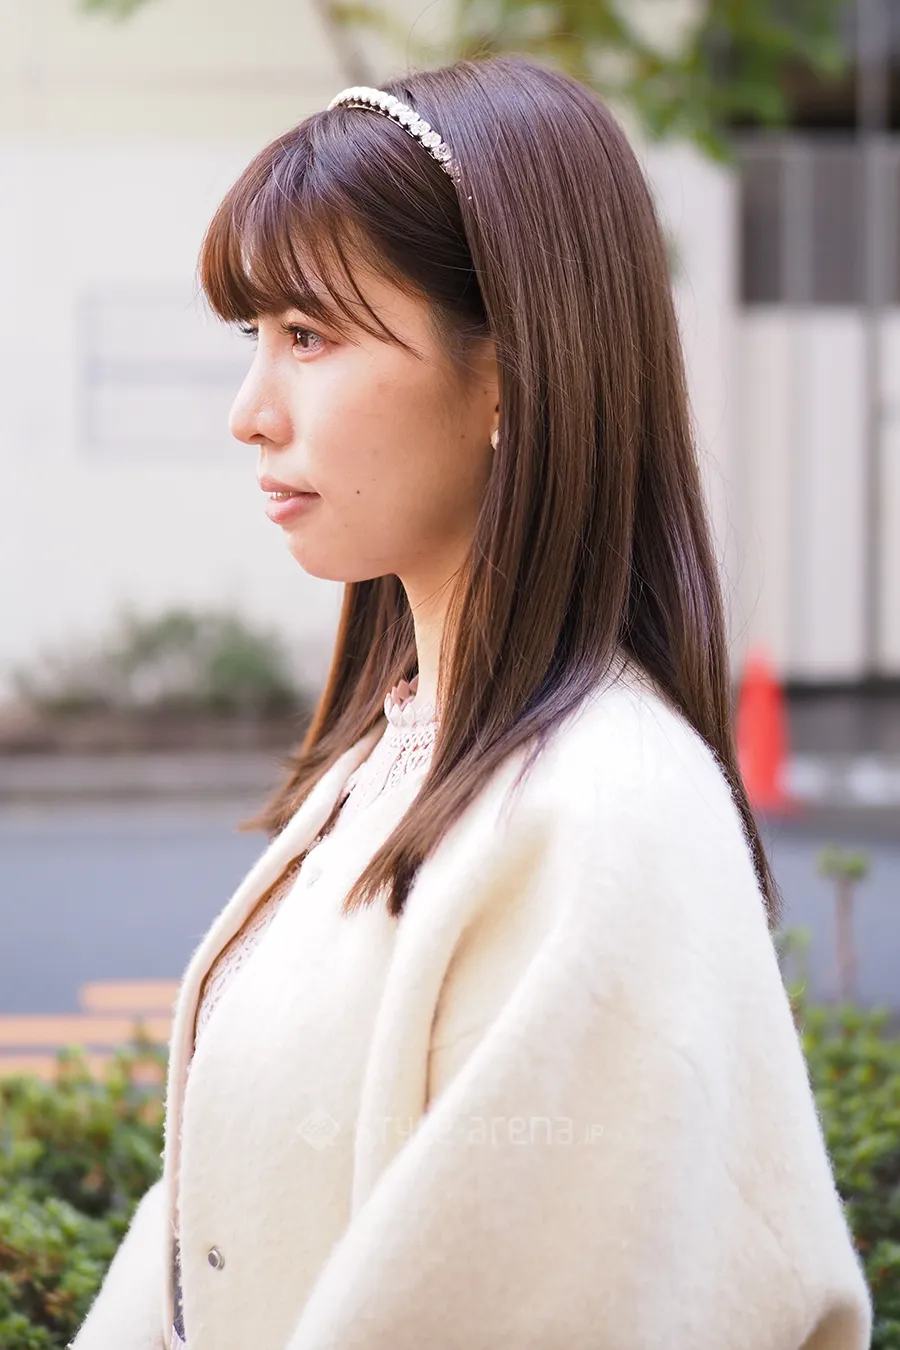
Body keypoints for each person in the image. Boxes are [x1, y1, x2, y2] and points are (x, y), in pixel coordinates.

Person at [69, 53, 873, 1350]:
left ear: (506, 370)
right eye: (252, 338)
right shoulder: (410, 744)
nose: (250, 412)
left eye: (309, 336)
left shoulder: (603, 816)